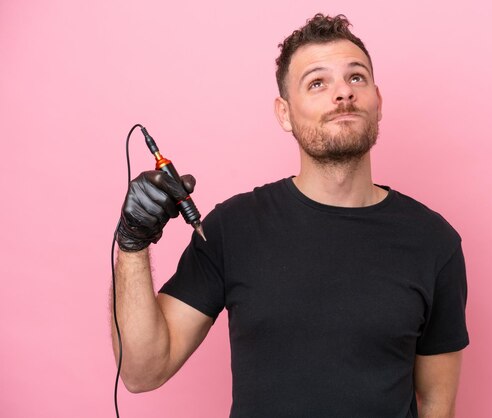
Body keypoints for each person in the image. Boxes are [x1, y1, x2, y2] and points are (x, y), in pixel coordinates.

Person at [112, 13, 469, 418]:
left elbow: (438, 404)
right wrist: (132, 242)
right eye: (317, 83)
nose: (343, 94)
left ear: (378, 101)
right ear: (284, 113)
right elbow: (142, 371)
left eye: (356, 78)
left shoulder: (434, 242)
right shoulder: (233, 229)